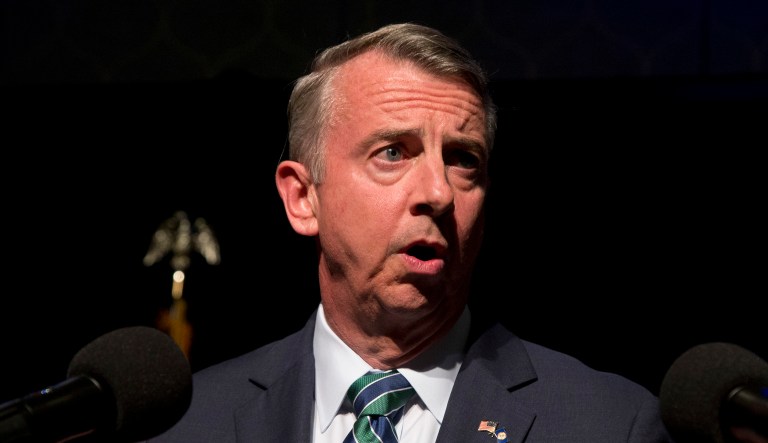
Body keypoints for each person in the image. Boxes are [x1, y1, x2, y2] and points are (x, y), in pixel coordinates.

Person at [146, 22, 675, 442]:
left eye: (463, 159)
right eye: (393, 152)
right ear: (304, 199)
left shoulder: (611, 424)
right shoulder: (183, 425)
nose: (439, 194)